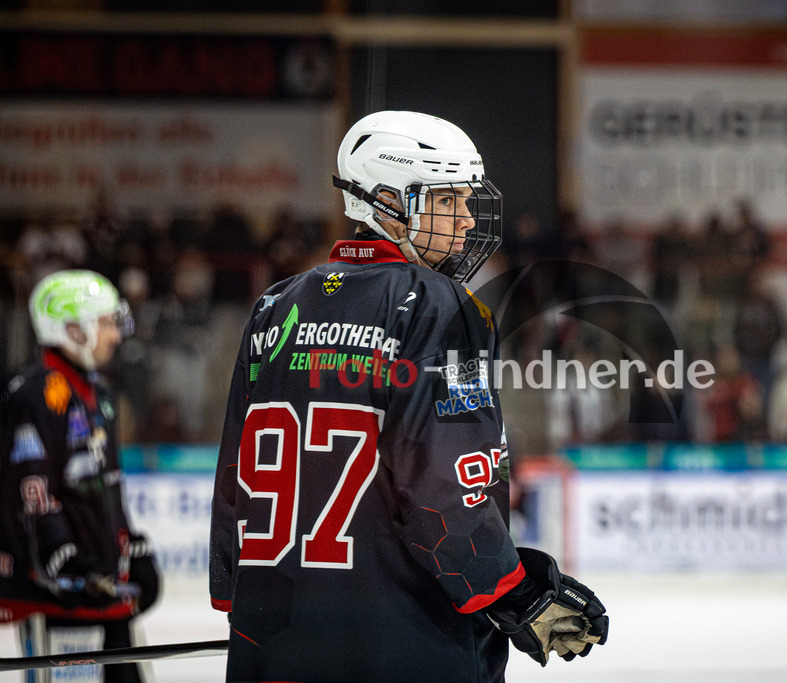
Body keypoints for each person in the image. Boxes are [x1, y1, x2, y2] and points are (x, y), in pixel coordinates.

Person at [209, 111, 608, 682]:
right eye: (448, 201)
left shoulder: (275, 305)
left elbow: (235, 477)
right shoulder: (440, 305)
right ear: (388, 203)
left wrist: (234, 595)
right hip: (401, 640)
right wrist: (511, 592)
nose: (468, 221)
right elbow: (447, 488)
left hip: (273, 635)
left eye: (468, 201)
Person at [0, 270, 161, 683]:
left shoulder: (97, 395)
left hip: (105, 592)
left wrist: (130, 546)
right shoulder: (37, 394)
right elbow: (30, 491)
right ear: (72, 329)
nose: (115, 336)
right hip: (61, 602)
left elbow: (104, 487)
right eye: (106, 323)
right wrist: (63, 559)